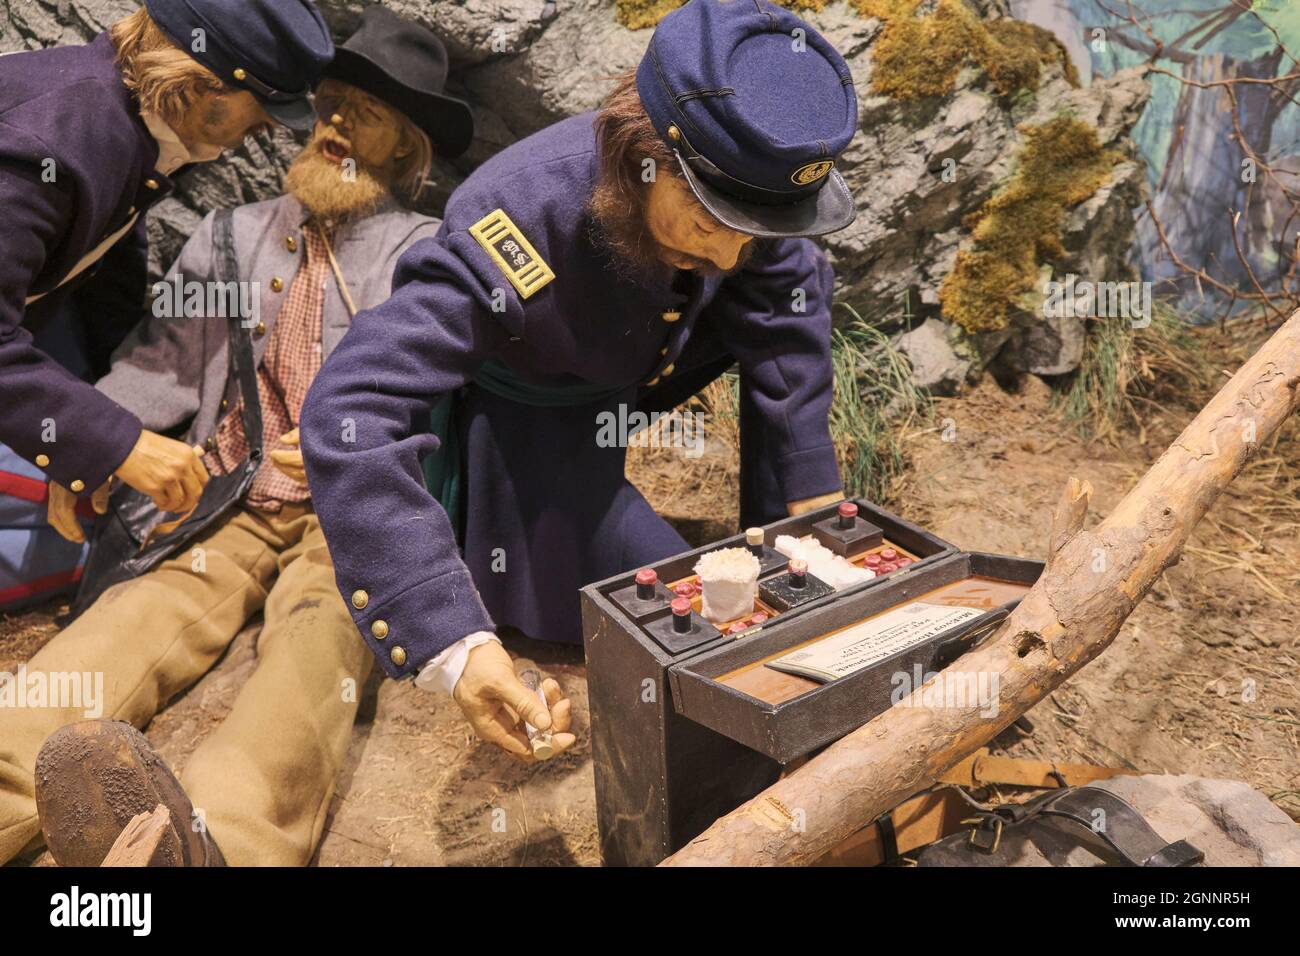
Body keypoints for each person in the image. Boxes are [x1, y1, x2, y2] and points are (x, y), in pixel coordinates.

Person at [301, 0, 858, 760]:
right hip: (539, 396)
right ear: (642, 155)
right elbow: (351, 405)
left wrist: (807, 492)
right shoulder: (518, 218)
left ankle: (776, 546)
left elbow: (783, 306)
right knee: (682, 612)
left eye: (751, 230)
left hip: (644, 355)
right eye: (708, 222)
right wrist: (454, 646)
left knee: (785, 559)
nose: (729, 257)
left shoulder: (742, 208)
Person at [0, 8, 482, 868]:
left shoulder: (430, 258)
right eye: (328, 104)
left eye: (362, 115)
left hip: (351, 518)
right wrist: (99, 455)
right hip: (228, 497)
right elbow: (161, 369)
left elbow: (446, 400)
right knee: (128, 621)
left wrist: (357, 445)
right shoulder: (233, 235)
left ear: (405, 152)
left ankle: (218, 845)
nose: (333, 126)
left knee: (315, 657)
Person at [0, 0, 332, 527]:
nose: (269, 129)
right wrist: (115, 442)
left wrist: (107, 422)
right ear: (205, 83)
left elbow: (103, 269)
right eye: (266, 109)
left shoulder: (121, 124)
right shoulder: (55, 145)